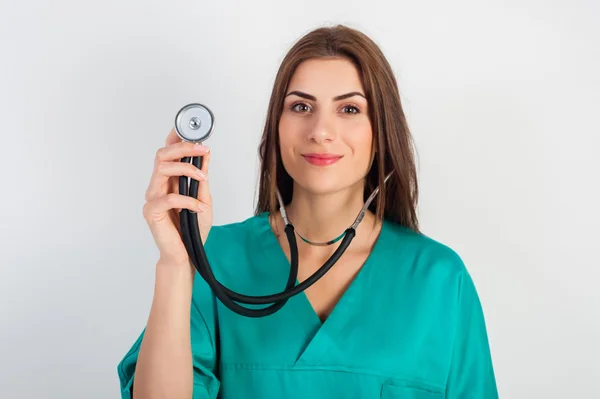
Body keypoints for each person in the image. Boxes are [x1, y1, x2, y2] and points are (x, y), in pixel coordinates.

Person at [117, 24, 499, 399]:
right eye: (301, 106)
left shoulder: (439, 279)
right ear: (276, 127)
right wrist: (177, 261)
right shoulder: (212, 259)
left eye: (349, 108)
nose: (320, 130)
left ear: (382, 132)